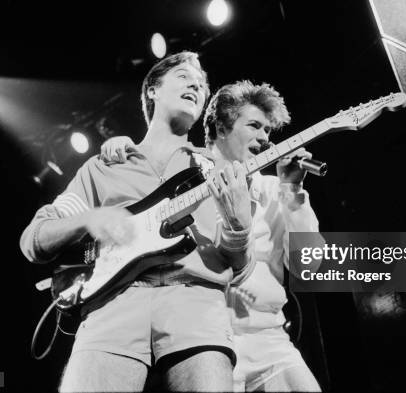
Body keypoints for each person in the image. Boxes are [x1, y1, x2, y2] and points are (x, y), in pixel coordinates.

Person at [20, 52, 256, 392]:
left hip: (196, 305)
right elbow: (35, 240)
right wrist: (90, 217)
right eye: (184, 76)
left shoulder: (217, 170)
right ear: (153, 91)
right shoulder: (103, 166)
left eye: (202, 84)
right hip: (112, 306)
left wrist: (239, 229)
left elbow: (241, 270)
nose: (196, 84)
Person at [101, 80, 322, 391]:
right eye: (255, 126)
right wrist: (122, 149)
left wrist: (293, 192)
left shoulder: (277, 191)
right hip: (200, 343)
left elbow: (308, 269)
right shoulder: (180, 179)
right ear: (220, 127)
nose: (264, 139)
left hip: (268, 340)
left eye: (268, 131)